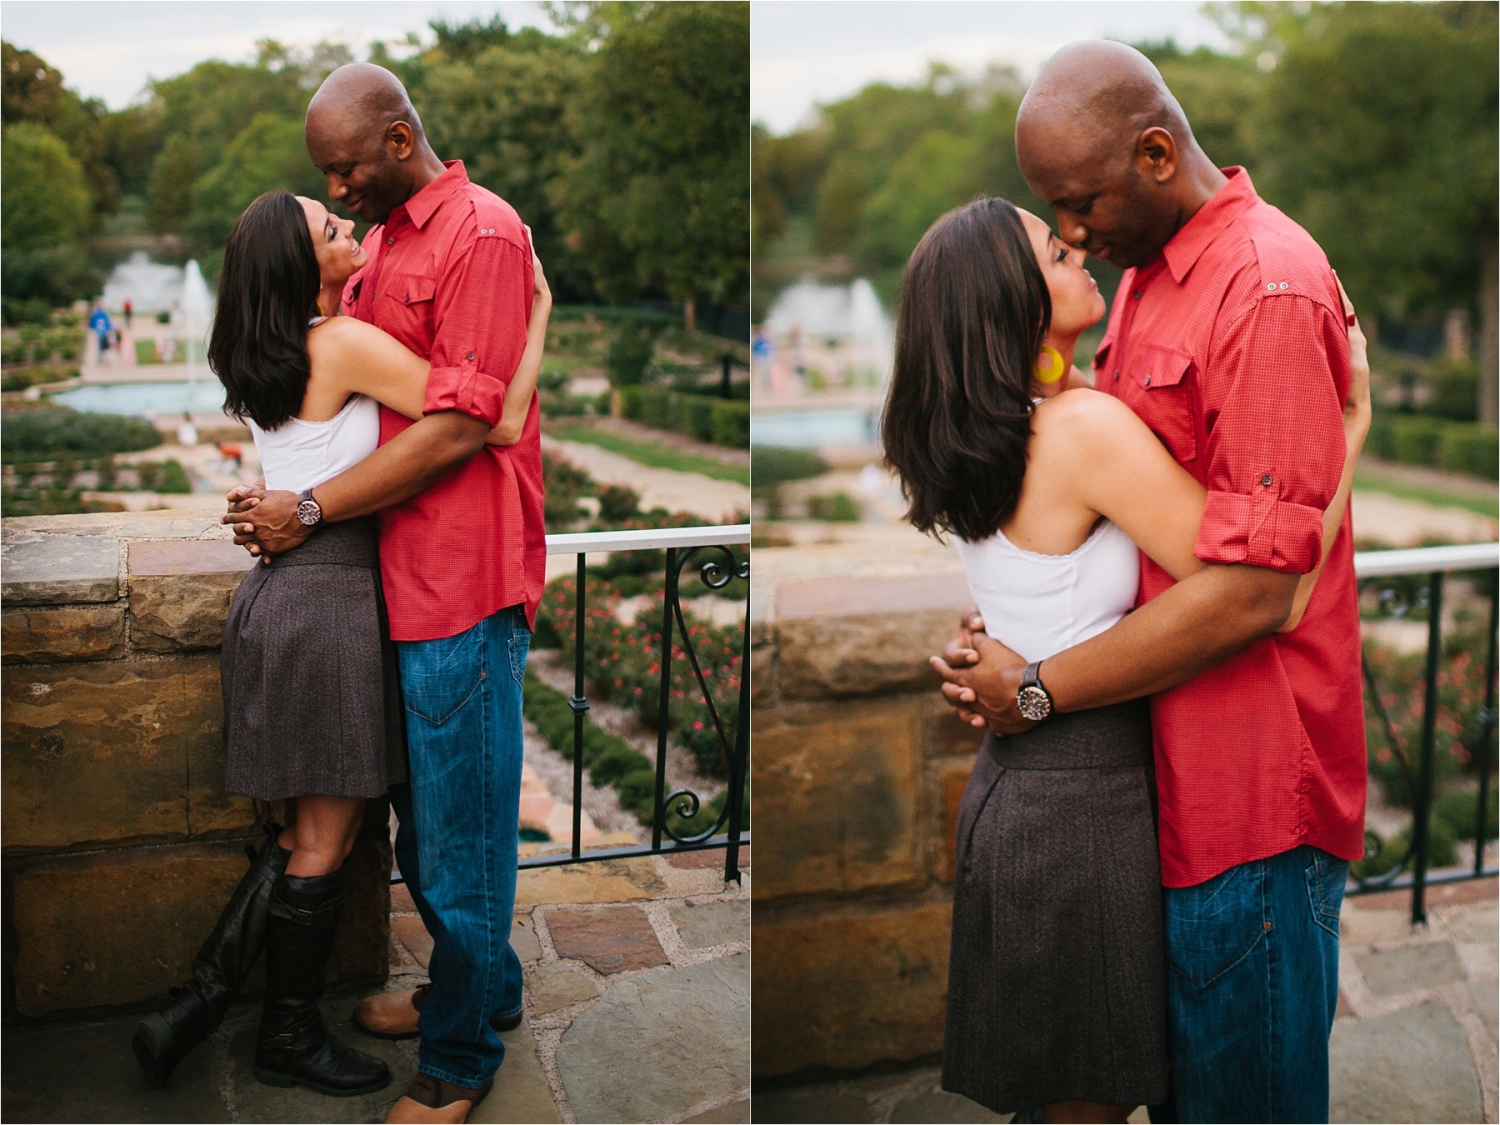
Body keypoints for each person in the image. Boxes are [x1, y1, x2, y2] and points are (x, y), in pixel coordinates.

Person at [928, 42, 1370, 1123]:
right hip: (1146, 793)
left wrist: (1036, 683)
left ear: (1158, 154)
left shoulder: (1265, 285)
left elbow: (1261, 589)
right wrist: (1030, 611)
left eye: (1080, 204)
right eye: (1055, 219)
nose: (1076, 233)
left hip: (1247, 796)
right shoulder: (1144, 285)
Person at [130, 188, 550, 1098]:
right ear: (303, 265)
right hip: (327, 600)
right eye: (330, 228)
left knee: (305, 830)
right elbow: (489, 420)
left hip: (288, 598)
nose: (349, 227)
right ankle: (280, 1032)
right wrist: (540, 317)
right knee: (324, 836)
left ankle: (193, 1008)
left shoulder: (271, 351)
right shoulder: (342, 341)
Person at [223, 63, 546, 1125]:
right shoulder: (385, 246)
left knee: (460, 843)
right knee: (428, 831)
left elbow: (467, 425)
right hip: (386, 588)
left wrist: (308, 506)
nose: (338, 191)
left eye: (344, 170)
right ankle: (479, 990)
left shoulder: (480, 233)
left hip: (459, 581)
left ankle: (458, 1062)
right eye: (326, 182)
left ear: (400, 139)